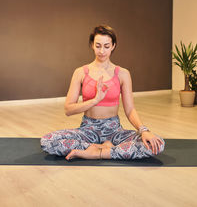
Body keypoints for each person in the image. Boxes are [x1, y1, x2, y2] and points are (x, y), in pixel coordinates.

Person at [40, 25, 165, 160]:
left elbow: (130, 110)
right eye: (98, 45)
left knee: (157, 143)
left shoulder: (123, 74)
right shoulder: (80, 72)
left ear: (113, 46)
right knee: (47, 141)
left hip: (114, 131)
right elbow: (68, 109)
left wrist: (144, 130)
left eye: (106, 46)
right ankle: (106, 149)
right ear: (92, 45)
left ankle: (95, 152)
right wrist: (95, 100)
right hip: (87, 130)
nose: (102, 51)